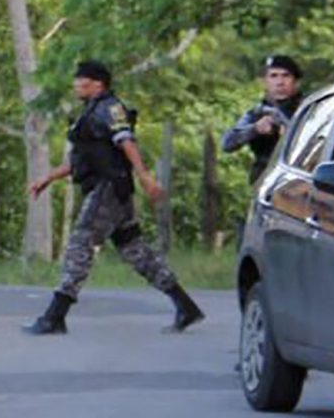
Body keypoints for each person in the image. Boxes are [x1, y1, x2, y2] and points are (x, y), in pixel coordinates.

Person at [23, 61, 205, 336]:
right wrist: (47, 179)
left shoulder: (110, 108)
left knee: (80, 244)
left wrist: (144, 176)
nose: (76, 85)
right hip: (109, 189)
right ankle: (184, 305)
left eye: (82, 80)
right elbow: (80, 160)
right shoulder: (90, 113)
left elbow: (126, 141)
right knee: (135, 250)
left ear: (98, 84)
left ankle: (54, 315)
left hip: (108, 189)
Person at [220, 54, 305, 185]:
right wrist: (255, 129)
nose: (280, 82)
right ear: (265, 81)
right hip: (265, 182)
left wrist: (292, 135)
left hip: (300, 180)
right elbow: (227, 143)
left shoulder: (308, 110)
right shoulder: (258, 112)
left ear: (296, 82)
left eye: (286, 75)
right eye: (273, 76)